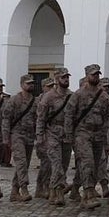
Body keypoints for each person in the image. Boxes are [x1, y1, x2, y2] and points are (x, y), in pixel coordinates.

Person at [64, 64, 109, 210]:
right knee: (87, 162)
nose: (96, 77)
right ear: (87, 76)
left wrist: (107, 135)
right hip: (82, 133)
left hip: (98, 134)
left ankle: (77, 189)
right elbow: (69, 116)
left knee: (95, 166)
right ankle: (88, 194)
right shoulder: (78, 94)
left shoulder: (103, 95)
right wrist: (69, 136)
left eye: (97, 75)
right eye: (93, 75)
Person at [38, 66, 73, 206]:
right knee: (56, 164)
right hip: (52, 133)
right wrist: (40, 136)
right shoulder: (48, 97)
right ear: (57, 79)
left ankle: (52, 190)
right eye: (63, 77)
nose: (66, 79)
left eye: (67, 77)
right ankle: (59, 193)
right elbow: (41, 118)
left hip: (67, 134)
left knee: (64, 165)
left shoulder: (72, 95)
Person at [1, 74, 38, 203]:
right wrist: (6, 138)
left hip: (29, 136)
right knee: (21, 162)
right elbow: (6, 119)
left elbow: (37, 119)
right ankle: (24, 188)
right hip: (16, 135)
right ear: (22, 85)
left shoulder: (35, 101)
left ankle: (14, 191)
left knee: (25, 164)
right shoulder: (14, 100)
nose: (31, 85)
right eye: (28, 83)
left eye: (32, 83)